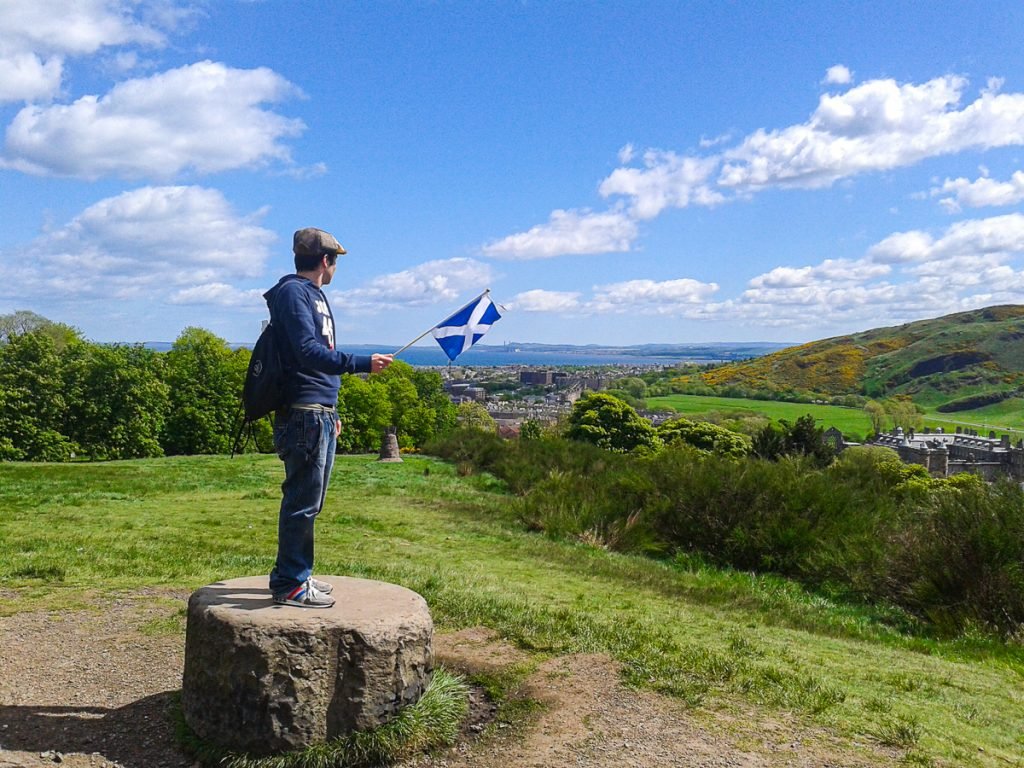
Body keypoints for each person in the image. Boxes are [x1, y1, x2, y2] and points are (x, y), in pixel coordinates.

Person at [263, 227, 393, 608]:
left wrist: (330, 409)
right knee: (302, 501)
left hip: (318, 413)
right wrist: (362, 363)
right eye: (336, 260)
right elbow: (306, 352)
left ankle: (297, 573)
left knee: (310, 501)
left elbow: (317, 356)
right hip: (303, 413)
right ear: (326, 261)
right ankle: (290, 582)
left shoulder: (311, 295)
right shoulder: (293, 293)